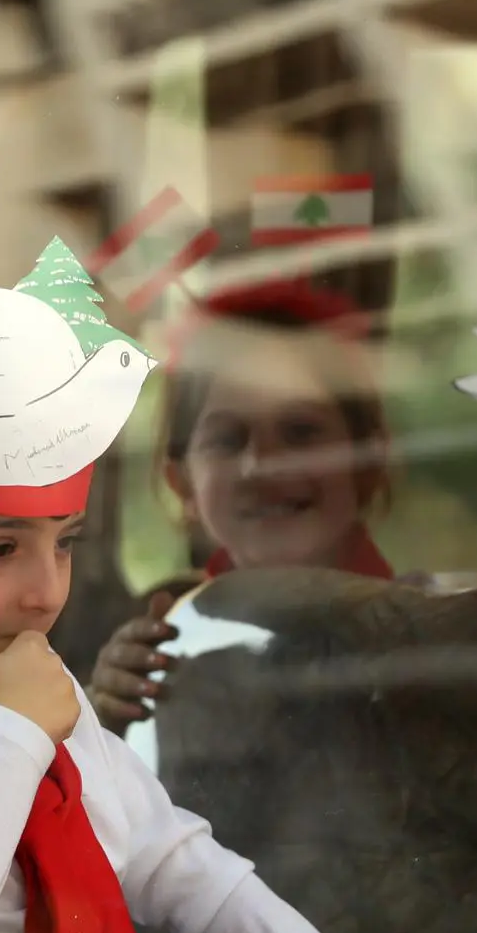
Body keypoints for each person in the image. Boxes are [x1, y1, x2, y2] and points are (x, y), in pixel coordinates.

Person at [0, 251, 477, 933]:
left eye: (64, 542)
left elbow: (182, 869)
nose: (45, 592)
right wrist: (6, 733)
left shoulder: (41, 694)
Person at [90, 283, 393, 734]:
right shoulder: (160, 636)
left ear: (367, 462)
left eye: (300, 431)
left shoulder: (430, 629)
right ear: (183, 483)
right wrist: (104, 721)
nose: (261, 466)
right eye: (228, 440)